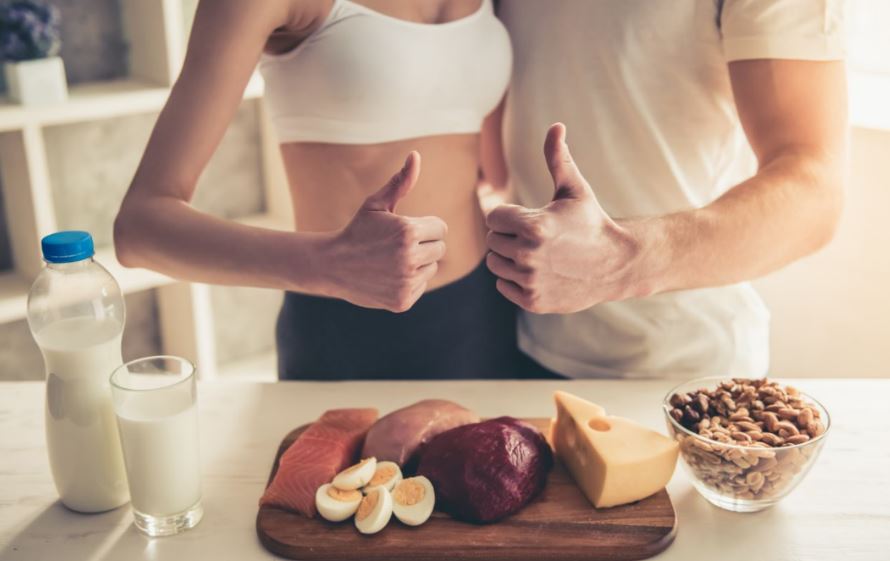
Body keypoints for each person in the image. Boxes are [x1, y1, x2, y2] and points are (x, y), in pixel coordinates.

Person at [114, 0, 547, 380]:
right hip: (348, 334)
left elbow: (491, 169)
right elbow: (139, 229)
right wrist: (330, 265)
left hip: (483, 312)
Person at [486, 1, 847, 378]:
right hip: (521, 342)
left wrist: (619, 259)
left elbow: (817, 192)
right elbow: (496, 165)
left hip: (683, 369)